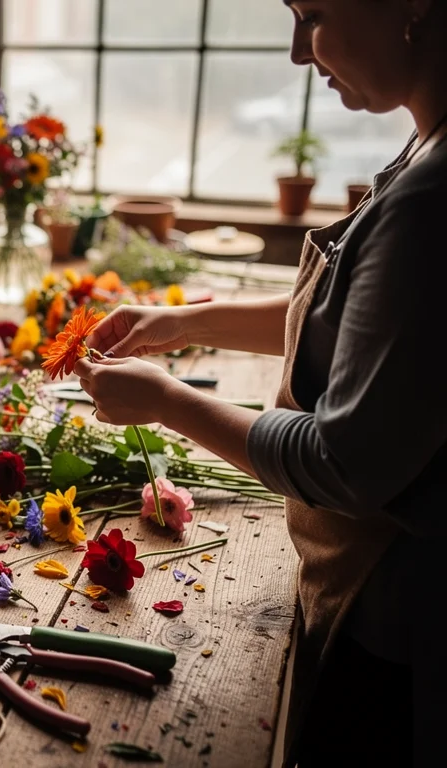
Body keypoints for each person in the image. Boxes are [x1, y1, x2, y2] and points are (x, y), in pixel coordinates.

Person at [75, 1, 446, 765]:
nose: (296, 53)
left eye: (310, 14)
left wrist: (168, 402)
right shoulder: (425, 147)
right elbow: (360, 317)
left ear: (412, 6)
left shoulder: (431, 203)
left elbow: (346, 463)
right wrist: (182, 322)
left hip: (397, 617)